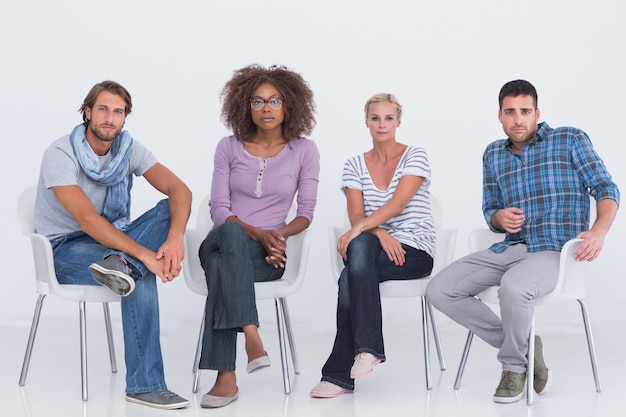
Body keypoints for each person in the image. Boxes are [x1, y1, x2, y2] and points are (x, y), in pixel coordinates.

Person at [426, 79, 620, 404]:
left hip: (555, 250)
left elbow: (606, 188)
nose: (518, 119)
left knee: (513, 288)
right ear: (500, 116)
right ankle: (527, 343)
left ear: (537, 113)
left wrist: (599, 231)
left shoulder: (569, 139)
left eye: (525, 111)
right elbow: (490, 207)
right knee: (440, 289)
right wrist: (499, 218)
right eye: (510, 112)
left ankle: (514, 366)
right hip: (510, 247)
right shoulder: (492, 154)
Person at [34, 80, 192, 409]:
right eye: (103, 109)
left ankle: (120, 264)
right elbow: (87, 221)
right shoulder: (60, 154)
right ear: (88, 112)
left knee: (169, 210)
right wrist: (147, 256)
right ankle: (145, 385)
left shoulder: (128, 150)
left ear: (124, 118)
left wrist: (175, 238)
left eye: (118, 111)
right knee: (140, 275)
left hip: (111, 241)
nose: (110, 118)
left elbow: (180, 190)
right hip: (64, 249)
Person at [196, 64, 320, 408]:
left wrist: (275, 237)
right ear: (244, 106)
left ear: (289, 105)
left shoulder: (305, 151)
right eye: (258, 102)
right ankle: (251, 333)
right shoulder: (228, 147)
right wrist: (257, 233)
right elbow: (219, 208)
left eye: (275, 101)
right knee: (231, 237)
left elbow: (306, 213)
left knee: (224, 270)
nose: (266, 108)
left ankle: (225, 379)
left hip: (267, 256)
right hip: (221, 239)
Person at [310, 93, 436, 398]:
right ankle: (367, 351)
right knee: (361, 246)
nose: (382, 124)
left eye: (389, 118)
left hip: (414, 251)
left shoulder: (415, 155)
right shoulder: (354, 164)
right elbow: (356, 214)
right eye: (376, 118)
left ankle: (339, 375)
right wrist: (380, 233)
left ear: (398, 122)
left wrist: (368, 229)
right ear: (367, 122)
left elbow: (397, 204)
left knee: (351, 271)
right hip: (375, 248)